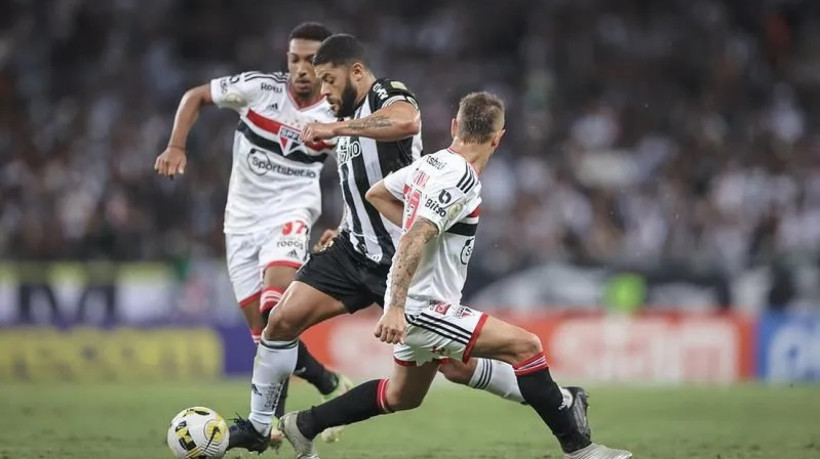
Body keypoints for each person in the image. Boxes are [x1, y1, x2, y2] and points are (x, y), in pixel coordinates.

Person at [227, 34, 592, 454]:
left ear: (356, 72)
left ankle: (562, 402)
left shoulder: (387, 95)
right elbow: (367, 186)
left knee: (453, 369)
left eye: (329, 79)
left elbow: (406, 122)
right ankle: (258, 427)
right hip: (353, 249)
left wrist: (335, 127)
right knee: (280, 321)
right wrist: (345, 223)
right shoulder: (345, 117)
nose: (323, 91)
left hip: (398, 262)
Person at [278, 92, 633, 459]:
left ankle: (303, 424)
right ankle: (581, 449)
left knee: (404, 395)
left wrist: (423, 229)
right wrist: (396, 306)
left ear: (454, 127)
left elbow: (377, 193)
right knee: (525, 347)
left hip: (421, 304)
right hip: (425, 308)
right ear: (499, 138)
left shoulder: (430, 163)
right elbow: (416, 235)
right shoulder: (461, 178)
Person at [153, 22, 352, 446]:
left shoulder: (336, 115)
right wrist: (176, 145)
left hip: (292, 215)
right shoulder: (259, 89)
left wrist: (347, 222)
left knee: (277, 306)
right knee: (266, 334)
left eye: (312, 60)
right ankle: (327, 380)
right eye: (294, 58)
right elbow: (196, 96)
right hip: (240, 224)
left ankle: (268, 426)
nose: (301, 68)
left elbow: (358, 172)